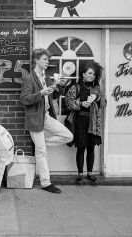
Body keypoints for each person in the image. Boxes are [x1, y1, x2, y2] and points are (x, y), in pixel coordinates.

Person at [20, 48, 73, 194]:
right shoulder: (29, 78)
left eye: (48, 59)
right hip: (35, 118)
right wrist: (40, 93)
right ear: (36, 60)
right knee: (41, 151)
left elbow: (55, 96)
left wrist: (59, 85)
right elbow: (24, 99)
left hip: (47, 117)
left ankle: (41, 145)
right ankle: (45, 183)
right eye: (44, 59)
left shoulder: (46, 77)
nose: (47, 62)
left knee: (68, 136)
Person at [65, 61, 105, 184]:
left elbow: (104, 104)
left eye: (94, 74)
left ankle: (90, 174)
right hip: (80, 121)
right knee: (81, 148)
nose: (92, 76)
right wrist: (80, 103)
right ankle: (80, 175)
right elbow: (68, 103)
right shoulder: (75, 87)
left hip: (93, 122)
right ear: (83, 74)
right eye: (90, 73)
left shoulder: (96, 89)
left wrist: (97, 98)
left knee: (91, 148)